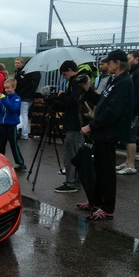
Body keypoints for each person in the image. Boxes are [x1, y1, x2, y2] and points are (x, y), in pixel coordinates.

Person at [79, 49, 134, 220]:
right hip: (102, 133)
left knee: (106, 172)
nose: (107, 65)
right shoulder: (113, 80)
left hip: (109, 133)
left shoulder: (124, 82)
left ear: (118, 63)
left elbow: (112, 112)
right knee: (98, 169)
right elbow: (102, 101)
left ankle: (108, 208)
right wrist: (87, 88)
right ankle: (95, 202)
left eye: (109, 62)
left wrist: (91, 125)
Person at [54, 60, 86, 193]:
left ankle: (70, 182)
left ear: (69, 70)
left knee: (70, 152)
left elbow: (74, 101)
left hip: (74, 123)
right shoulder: (81, 80)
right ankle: (77, 178)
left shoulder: (75, 82)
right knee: (77, 151)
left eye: (64, 74)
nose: (64, 76)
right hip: (78, 123)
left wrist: (61, 97)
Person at [116, 51, 139, 175]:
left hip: (133, 111)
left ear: (136, 59)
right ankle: (127, 161)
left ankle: (131, 164)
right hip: (130, 110)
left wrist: (131, 109)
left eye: (129, 58)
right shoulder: (132, 72)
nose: (127, 60)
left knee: (131, 137)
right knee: (127, 136)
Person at [0, 78, 26, 171]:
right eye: (5, 88)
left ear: (14, 87)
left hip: (11, 126)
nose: (6, 90)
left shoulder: (17, 98)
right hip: (2, 125)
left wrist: (3, 100)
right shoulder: (5, 98)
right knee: (0, 145)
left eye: (8, 88)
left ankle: (20, 163)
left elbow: (13, 109)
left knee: (13, 145)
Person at [14, 58, 39, 140]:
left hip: (23, 95)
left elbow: (20, 83)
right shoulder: (37, 72)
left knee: (23, 114)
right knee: (25, 114)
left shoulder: (26, 72)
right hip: (30, 96)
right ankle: (24, 132)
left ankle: (23, 133)